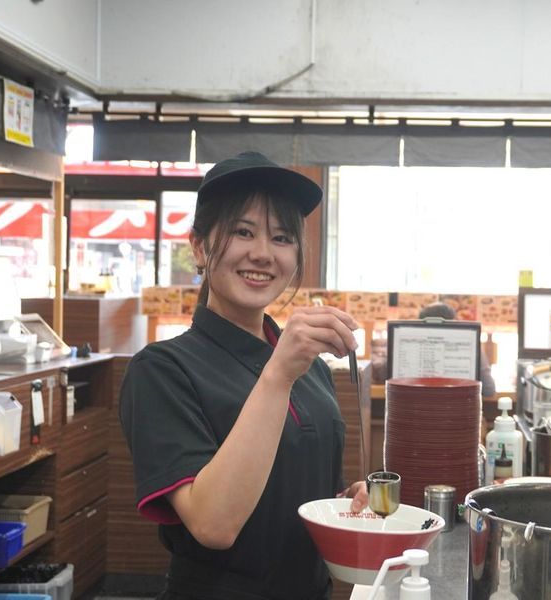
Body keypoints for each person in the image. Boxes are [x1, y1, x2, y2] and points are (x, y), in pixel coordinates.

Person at [119, 151, 368, 600]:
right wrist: (278, 375)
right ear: (199, 247)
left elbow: (298, 494)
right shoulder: (162, 369)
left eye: (282, 237)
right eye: (242, 232)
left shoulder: (310, 368)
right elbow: (213, 524)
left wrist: (346, 503)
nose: (262, 253)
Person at [419, 302, 497, 397]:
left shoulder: (414, 345)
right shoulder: (469, 344)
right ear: (453, 322)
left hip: (415, 405)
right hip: (461, 405)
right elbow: (489, 389)